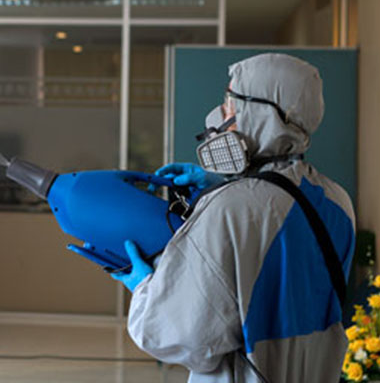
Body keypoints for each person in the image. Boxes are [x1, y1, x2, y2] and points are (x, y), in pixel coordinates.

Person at [111, 53, 356, 382]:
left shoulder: (229, 210)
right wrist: (226, 185)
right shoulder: (339, 202)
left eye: (230, 102)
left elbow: (174, 336)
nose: (221, 116)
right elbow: (281, 239)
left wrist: (145, 288)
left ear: (261, 113)